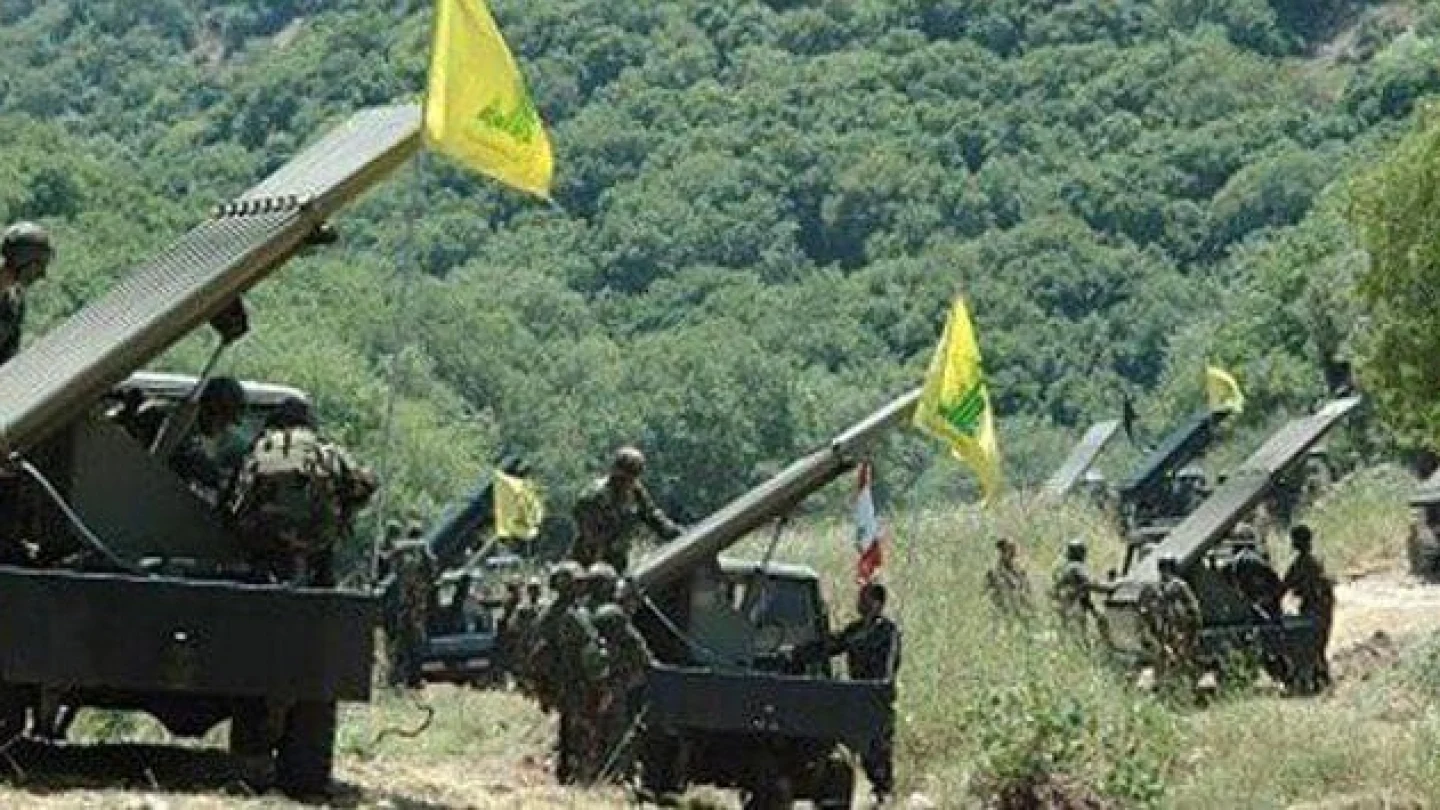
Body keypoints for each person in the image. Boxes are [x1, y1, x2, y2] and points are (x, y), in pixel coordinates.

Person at [227, 396, 377, 586]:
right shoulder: (325, 450)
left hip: (266, 540)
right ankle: (322, 586)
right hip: (316, 540)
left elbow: (235, 499)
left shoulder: (260, 448)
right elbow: (364, 485)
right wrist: (344, 515)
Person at [793, 583, 901, 806]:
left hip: (874, 696)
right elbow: (833, 646)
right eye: (859, 597)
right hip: (855, 695)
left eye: (864, 598)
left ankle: (883, 793)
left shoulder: (887, 632)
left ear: (878, 603)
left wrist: (880, 687)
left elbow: (889, 665)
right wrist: (799, 654)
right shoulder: (856, 628)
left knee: (877, 748)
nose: (859, 602)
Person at [527, 561, 608, 784]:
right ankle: (578, 778)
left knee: (566, 729)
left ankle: (565, 774)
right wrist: (600, 682)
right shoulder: (574, 618)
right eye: (578, 584)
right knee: (582, 732)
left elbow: (535, 653)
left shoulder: (545, 615)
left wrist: (542, 687)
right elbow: (590, 653)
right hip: (577, 683)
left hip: (558, 683)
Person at [570, 446, 684, 573]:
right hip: (587, 562)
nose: (626, 483)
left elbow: (652, 516)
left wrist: (678, 535)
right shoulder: (593, 497)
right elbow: (590, 536)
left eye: (632, 477)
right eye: (623, 478)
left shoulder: (635, 492)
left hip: (617, 561)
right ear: (615, 472)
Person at [591, 603, 652, 785]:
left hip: (628, 692)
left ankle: (620, 773)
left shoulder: (632, 644)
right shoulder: (612, 644)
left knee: (622, 734)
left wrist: (621, 685)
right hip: (616, 690)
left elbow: (641, 669)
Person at [167, 376, 248, 505]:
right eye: (223, 420)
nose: (223, 426)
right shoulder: (176, 429)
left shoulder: (235, 446)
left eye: (227, 421)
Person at [1282, 523, 1335, 689]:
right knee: (1318, 646)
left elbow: (1284, 585)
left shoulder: (1302, 564)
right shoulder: (1315, 561)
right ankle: (1320, 678)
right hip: (1323, 607)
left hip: (1315, 608)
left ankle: (1315, 679)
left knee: (1311, 646)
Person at [0, 221, 51, 365]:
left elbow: (8, 358)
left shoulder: (15, 302)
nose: (42, 274)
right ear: (24, 259)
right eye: (39, 265)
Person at [1051, 539, 1109, 644]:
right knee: (1096, 623)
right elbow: (1087, 583)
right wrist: (1106, 588)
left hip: (1070, 603)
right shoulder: (1077, 566)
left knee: (1073, 630)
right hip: (1074, 603)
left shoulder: (1066, 567)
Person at [984, 538, 1032, 617]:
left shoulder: (1019, 571)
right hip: (1004, 611)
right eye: (1006, 550)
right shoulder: (994, 572)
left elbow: (1027, 591)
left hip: (1020, 611)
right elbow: (989, 594)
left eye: (1012, 550)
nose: (1011, 553)